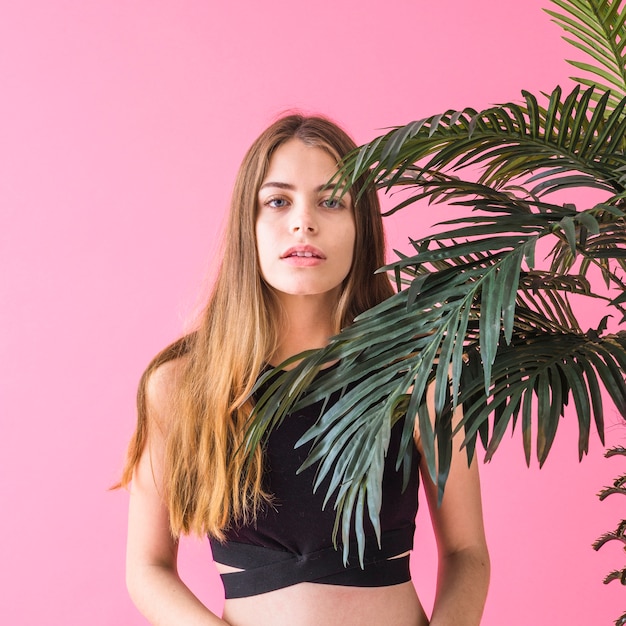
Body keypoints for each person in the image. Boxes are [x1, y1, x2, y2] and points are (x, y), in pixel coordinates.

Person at [119, 114, 490, 626]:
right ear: (247, 225)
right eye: (278, 201)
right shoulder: (181, 384)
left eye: (331, 200)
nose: (303, 222)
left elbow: (468, 552)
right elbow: (147, 566)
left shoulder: (421, 372)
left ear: (362, 225)